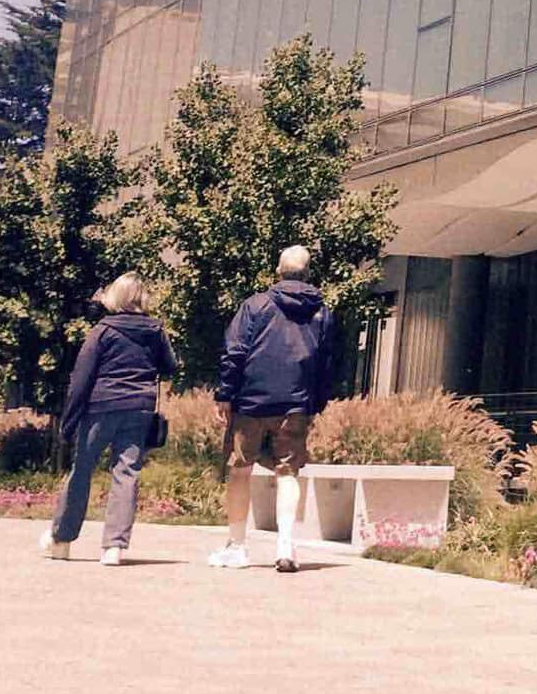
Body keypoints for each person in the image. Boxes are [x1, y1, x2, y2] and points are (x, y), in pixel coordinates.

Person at [208, 245, 337, 573]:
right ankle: (286, 546)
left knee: (240, 470)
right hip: (296, 404)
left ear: (278, 272)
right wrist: (316, 402)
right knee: (288, 472)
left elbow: (235, 352)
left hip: (250, 402)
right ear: (308, 273)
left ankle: (237, 547)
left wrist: (225, 394)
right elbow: (328, 362)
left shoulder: (256, 305)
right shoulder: (321, 312)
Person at [41, 273, 177, 566]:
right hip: (139, 407)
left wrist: (69, 422)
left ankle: (62, 540)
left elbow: (81, 378)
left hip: (101, 407)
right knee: (127, 473)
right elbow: (170, 366)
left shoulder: (102, 331)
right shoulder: (156, 330)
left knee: (82, 470)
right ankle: (114, 547)